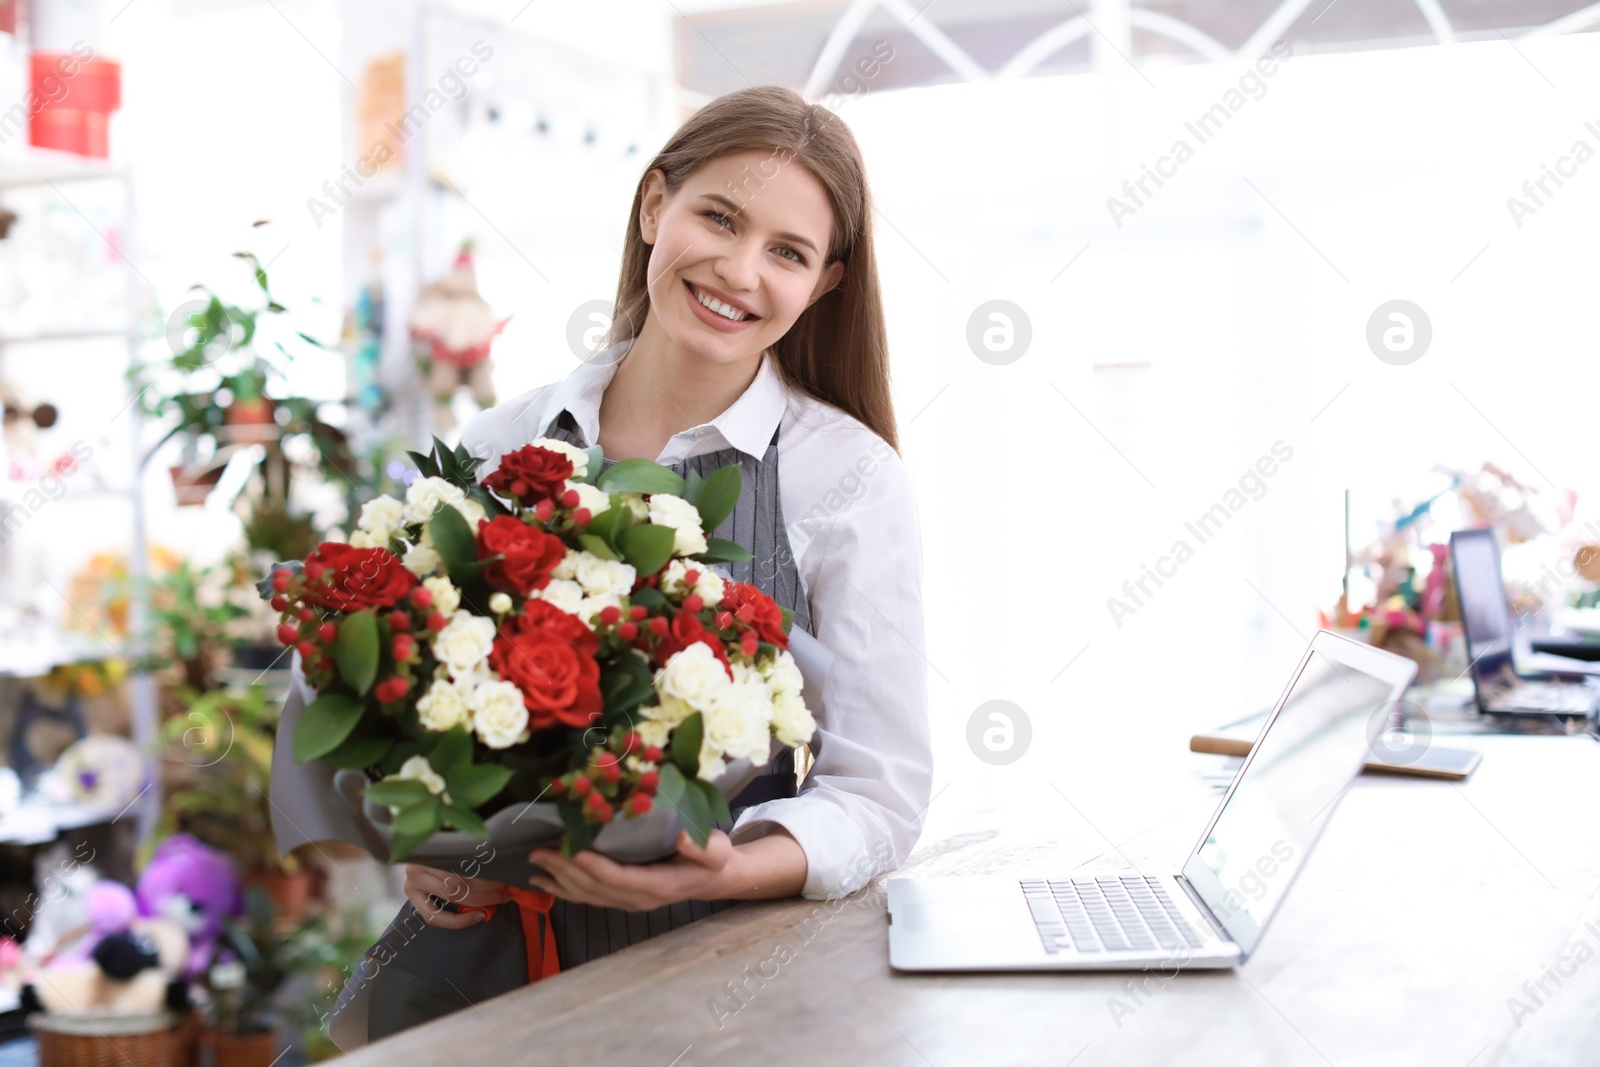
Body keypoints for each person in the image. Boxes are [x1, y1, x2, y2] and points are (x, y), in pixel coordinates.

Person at [345, 83, 931, 1044]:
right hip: (495, 966)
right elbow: (420, 704)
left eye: (787, 251)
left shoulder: (848, 477)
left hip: (720, 977)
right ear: (656, 205)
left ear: (824, 281)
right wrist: (427, 839)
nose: (740, 270)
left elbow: (880, 791)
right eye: (720, 217)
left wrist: (734, 864)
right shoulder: (502, 443)